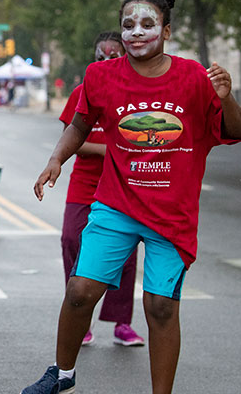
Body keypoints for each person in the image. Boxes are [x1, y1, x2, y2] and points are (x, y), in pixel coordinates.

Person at [25, 0, 241, 394]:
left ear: (166, 30)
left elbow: (236, 130)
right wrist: (57, 159)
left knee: (159, 306)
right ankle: (62, 375)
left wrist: (226, 97)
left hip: (171, 212)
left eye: (147, 24)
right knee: (79, 290)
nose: (136, 32)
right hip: (117, 204)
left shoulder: (194, 78)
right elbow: (79, 123)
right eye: (128, 24)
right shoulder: (100, 76)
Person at [58, 31, 144, 347]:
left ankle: (122, 323)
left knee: (125, 254)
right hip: (84, 185)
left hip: (123, 186)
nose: (106, 62)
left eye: (113, 57)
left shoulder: (135, 95)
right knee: (71, 239)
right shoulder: (83, 92)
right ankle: (80, 315)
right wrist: (110, 150)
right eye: (100, 57)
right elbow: (73, 141)